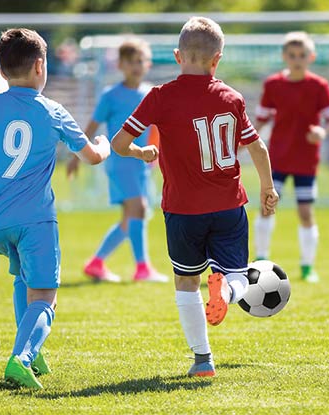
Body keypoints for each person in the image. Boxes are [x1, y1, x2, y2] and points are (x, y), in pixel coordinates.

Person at [111, 17, 278, 377]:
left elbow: (119, 144)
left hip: (183, 210)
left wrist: (142, 154)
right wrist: (268, 188)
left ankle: (203, 360)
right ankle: (227, 293)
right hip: (230, 204)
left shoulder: (159, 97)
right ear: (217, 60)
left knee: (186, 282)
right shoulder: (232, 97)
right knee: (236, 275)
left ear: (176, 56)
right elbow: (257, 146)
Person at [0, 28, 110, 389]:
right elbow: (93, 157)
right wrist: (104, 144)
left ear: (2, 72)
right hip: (35, 219)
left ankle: (32, 351)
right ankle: (21, 358)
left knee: (23, 278)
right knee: (45, 295)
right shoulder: (53, 111)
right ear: (41, 66)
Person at [67, 38, 168, 283]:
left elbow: (157, 128)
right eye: (131, 61)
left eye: (140, 61)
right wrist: (76, 156)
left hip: (142, 163)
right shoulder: (110, 95)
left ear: (148, 64)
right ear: (120, 65)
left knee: (131, 217)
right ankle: (142, 268)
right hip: (121, 161)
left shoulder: (151, 93)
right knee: (139, 209)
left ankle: (96, 263)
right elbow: (91, 125)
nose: (136, 66)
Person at [254, 31, 329, 283]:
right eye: (292, 55)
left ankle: (307, 266)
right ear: (284, 57)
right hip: (277, 159)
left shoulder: (318, 86)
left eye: (302, 55)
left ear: (311, 57)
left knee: (305, 212)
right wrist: (244, 142)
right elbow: (261, 118)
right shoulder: (273, 85)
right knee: (268, 207)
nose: (297, 59)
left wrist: (322, 131)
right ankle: (261, 259)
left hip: (305, 161)